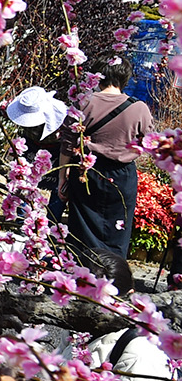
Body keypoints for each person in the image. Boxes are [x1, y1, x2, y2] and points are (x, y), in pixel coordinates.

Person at [57, 59, 154, 264]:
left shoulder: (83, 103)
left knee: (82, 226)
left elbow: (67, 142)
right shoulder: (139, 108)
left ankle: (83, 276)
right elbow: (151, 142)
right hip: (122, 175)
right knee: (117, 229)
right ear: (125, 78)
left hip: (85, 171)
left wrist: (62, 177)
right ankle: (113, 280)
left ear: (97, 76)